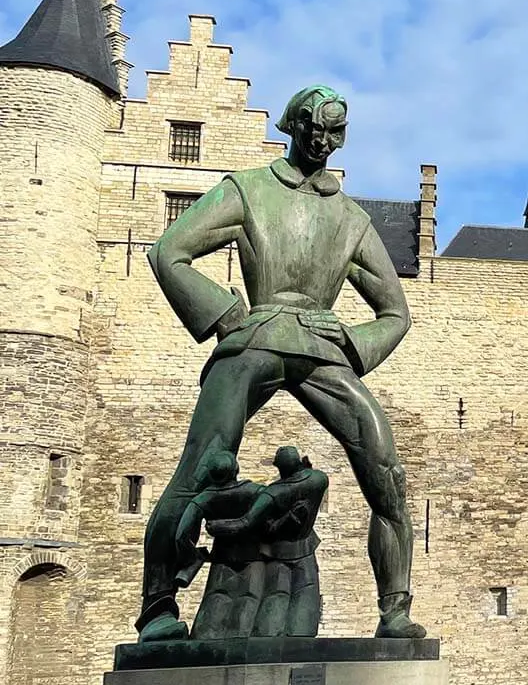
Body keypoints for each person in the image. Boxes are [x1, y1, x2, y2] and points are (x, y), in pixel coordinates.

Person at [138, 86, 424, 643]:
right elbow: (168, 251)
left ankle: (394, 610)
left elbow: (395, 313)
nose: (322, 141)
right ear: (294, 126)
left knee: (386, 470)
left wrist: (348, 335)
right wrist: (226, 316)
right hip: (255, 338)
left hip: (321, 349)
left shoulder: (350, 218)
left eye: (333, 132)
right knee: (203, 465)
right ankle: (158, 607)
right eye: (314, 128)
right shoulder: (246, 190)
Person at [200, 445, 328, 638]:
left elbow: (246, 523)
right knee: (306, 593)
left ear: (280, 468)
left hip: (279, 552)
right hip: (306, 547)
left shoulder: (273, 493)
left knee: (277, 596)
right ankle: (300, 639)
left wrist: (218, 527)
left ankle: (268, 639)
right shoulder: (319, 479)